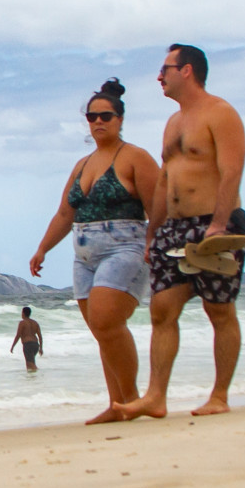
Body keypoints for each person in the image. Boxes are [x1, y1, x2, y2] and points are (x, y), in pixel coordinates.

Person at [117, 43, 245, 419]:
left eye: (166, 69)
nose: (160, 76)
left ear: (186, 70)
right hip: (173, 229)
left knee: (218, 310)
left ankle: (219, 395)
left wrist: (219, 224)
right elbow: (163, 182)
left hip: (214, 222)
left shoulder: (220, 113)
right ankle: (156, 397)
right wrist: (152, 233)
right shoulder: (173, 122)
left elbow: (232, 170)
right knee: (162, 310)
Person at [29, 78, 162, 423]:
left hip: (126, 246)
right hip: (83, 254)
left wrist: (153, 245)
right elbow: (64, 213)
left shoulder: (135, 157)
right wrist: (43, 248)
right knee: (101, 332)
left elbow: (158, 207)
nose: (98, 122)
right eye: (92, 117)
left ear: (120, 119)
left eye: (106, 116)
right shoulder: (82, 164)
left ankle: (132, 398)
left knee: (107, 321)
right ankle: (117, 403)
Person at [9, 306, 44, 371]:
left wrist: (12, 346)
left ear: (23, 313)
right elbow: (40, 336)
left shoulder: (22, 323)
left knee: (30, 363)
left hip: (28, 344)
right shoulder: (35, 323)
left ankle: (39, 375)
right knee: (30, 362)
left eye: (22, 312)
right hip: (36, 344)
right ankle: (32, 379)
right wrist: (41, 348)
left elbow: (18, 335)